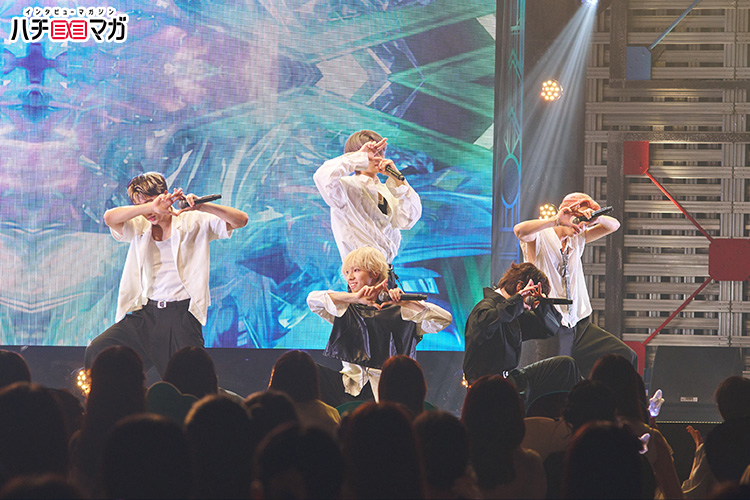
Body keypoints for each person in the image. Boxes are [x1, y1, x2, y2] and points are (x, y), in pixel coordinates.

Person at [84, 172, 248, 375]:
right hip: (146, 315)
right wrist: (150, 207)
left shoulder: (193, 221)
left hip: (181, 317)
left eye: (151, 201)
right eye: (140, 206)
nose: (149, 211)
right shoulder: (139, 225)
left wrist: (202, 206)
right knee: (99, 349)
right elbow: (109, 218)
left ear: (165, 194)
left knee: (188, 380)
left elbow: (241, 220)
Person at [307, 246, 452, 405]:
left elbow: (444, 319)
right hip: (350, 388)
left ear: (375, 273)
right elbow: (313, 300)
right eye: (346, 273)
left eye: (356, 270)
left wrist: (407, 302)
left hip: (388, 391)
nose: (350, 277)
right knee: (301, 365)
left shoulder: (402, 310)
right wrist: (354, 298)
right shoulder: (346, 308)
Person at [514, 191, 636, 377]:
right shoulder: (541, 236)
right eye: (579, 219)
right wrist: (556, 220)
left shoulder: (577, 238)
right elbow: (519, 230)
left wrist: (596, 218)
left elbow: (614, 225)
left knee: (625, 356)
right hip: (553, 323)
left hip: (578, 323)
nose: (581, 226)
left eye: (585, 222)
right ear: (566, 214)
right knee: (557, 379)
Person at [462, 262, 583, 410]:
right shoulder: (486, 307)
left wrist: (541, 306)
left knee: (565, 365)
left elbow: (550, 328)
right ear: (520, 287)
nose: (529, 307)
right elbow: (484, 326)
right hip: (487, 388)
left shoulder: (515, 313)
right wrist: (518, 300)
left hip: (511, 380)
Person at [313, 130, 422, 271]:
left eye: (380, 152)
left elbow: (408, 219)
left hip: (385, 271)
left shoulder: (387, 191)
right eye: (371, 152)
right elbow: (322, 176)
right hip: (361, 270)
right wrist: (359, 158)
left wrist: (398, 179)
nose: (377, 157)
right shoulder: (344, 187)